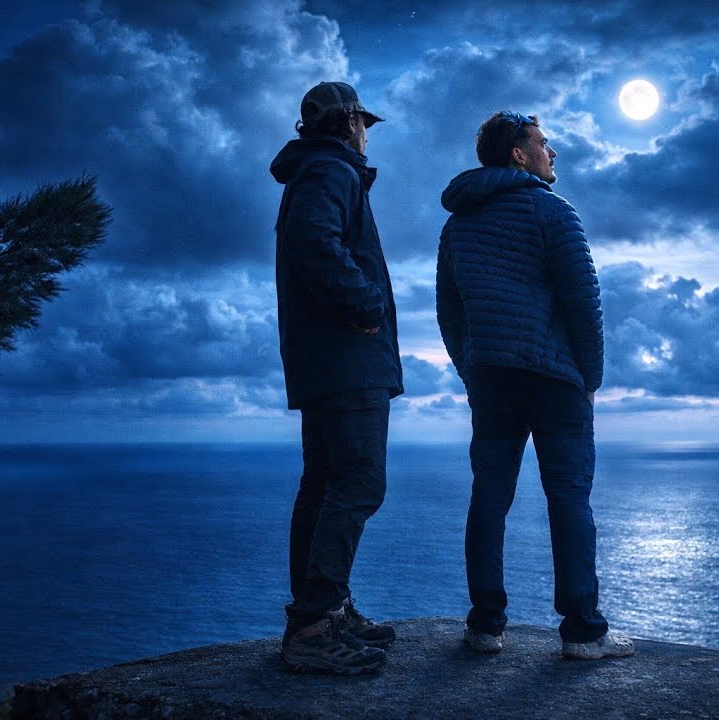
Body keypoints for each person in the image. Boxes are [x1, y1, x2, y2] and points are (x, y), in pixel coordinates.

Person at [435, 110, 634, 661]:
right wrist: (590, 377)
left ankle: (484, 625)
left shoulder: (458, 224)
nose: (553, 154)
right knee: (569, 497)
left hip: (493, 380)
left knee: (489, 498)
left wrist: (472, 369)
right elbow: (583, 304)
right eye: (544, 144)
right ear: (519, 154)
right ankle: (583, 633)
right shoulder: (553, 212)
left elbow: (449, 313)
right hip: (555, 382)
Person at [269, 81, 404, 675]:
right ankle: (316, 624)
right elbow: (313, 243)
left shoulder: (314, 171)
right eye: (364, 123)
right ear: (348, 122)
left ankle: (318, 612)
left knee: (323, 485)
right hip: (347, 357)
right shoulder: (332, 171)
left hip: (324, 360)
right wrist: (366, 305)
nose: (367, 134)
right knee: (358, 484)